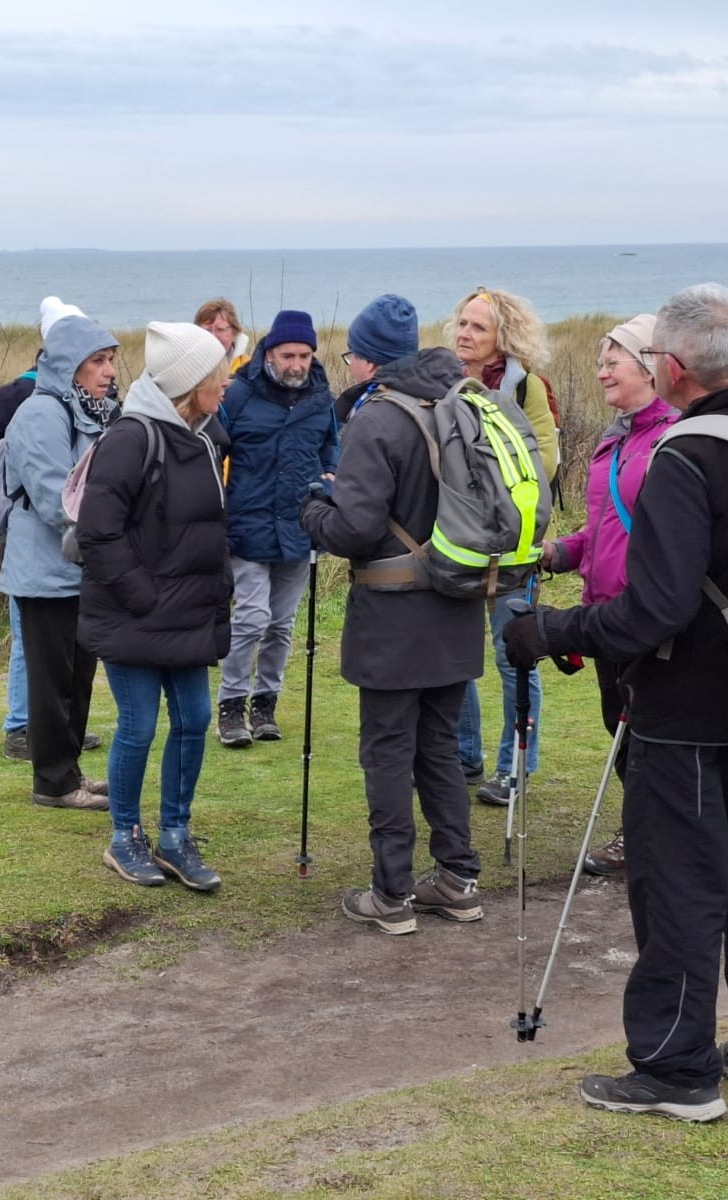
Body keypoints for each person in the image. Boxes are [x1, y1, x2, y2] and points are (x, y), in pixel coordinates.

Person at [505, 283, 728, 1123]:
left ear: (672, 369)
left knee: (679, 884)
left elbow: (656, 608)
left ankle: (679, 1071)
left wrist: (548, 630)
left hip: (689, 711)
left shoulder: (686, 454)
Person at [300, 294, 484, 934]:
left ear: (369, 358)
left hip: (393, 613)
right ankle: (458, 880)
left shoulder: (377, 420)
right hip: (458, 602)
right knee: (439, 746)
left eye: (350, 353)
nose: (347, 364)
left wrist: (312, 512)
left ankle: (392, 894)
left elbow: (354, 529)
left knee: (386, 751)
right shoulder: (460, 399)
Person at [78, 322, 232, 891]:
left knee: (194, 719)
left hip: (187, 612)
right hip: (133, 613)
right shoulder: (130, 438)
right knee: (138, 725)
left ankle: (175, 835)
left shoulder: (206, 435)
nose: (226, 384)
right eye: (219, 374)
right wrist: (142, 595)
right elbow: (99, 534)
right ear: (192, 383)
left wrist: (216, 591)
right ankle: (125, 838)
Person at [541, 314, 676, 877]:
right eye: (599, 362)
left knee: (647, 735)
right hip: (604, 615)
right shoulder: (615, 436)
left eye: (611, 361)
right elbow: (604, 528)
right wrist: (559, 553)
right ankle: (647, 834)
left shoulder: (674, 435)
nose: (600, 373)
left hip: (644, 614)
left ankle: (647, 839)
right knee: (619, 727)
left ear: (649, 364)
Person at [0, 296, 103, 758]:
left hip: (63, 551)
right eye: (96, 358)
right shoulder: (30, 399)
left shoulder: (80, 402)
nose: (107, 368)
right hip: (36, 546)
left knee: (56, 654)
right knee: (30, 644)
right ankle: (21, 728)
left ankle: (52, 735)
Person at [0, 312, 120, 810]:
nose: (109, 371)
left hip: (76, 570)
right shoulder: (40, 414)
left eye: (112, 359)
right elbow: (56, 499)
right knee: (51, 684)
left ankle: (70, 772)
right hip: (44, 573)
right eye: (98, 361)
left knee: (76, 678)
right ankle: (52, 782)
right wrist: (110, 529)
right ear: (71, 366)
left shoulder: (88, 409)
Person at [449, 288, 560, 805]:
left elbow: (547, 466)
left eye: (478, 327)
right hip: (461, 544)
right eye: (463, 323)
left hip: (515, 548)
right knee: (456, 653)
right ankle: (463, 755)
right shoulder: (448, 383)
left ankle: (515, 767)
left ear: (504, 337)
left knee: (513, 652)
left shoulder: (526, 388)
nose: (465, 334)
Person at [215, 309, 340, 747]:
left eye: (305, 355)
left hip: (301, 526)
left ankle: (265, 703)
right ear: (270, 353)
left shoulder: (321, 398)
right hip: (247, 525)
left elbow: (331, 448)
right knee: (250, 618)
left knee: (281, 625)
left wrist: (330, 477)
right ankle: (231, 707)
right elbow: (212, 445)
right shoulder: (239, 394)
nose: (297, 364)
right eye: (289, 354)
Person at [194, 297, 251, 373]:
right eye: (207, 330)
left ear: (234, 333)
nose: (213, 336)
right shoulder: (187, 366)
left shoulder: (248, 369)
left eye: (220, 329)